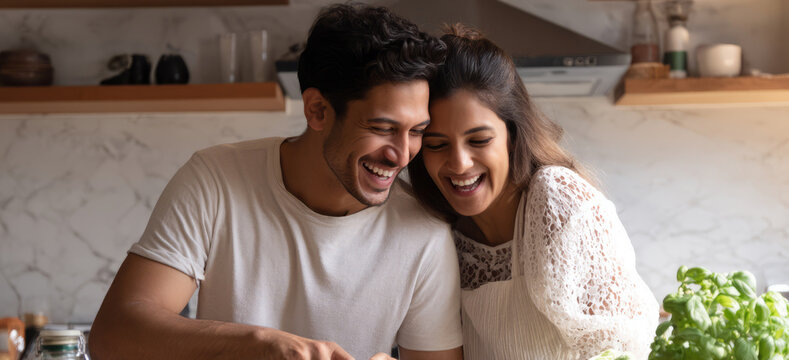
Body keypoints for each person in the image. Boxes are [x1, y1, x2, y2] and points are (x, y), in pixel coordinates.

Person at [89, 4, 464, 360]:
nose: (402, 155)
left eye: (417, 131)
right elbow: (112, 335)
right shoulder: (216, 179)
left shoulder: (423, 231)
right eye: (382, 128)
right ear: (317, 110)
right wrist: (256, 344)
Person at [407, 25, 659, 360]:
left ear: (512, 134)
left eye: (479, 140)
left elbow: (618, 351)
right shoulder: (438, 228)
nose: (459, 163)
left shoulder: (555, 199)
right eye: (436, 144)